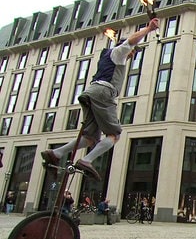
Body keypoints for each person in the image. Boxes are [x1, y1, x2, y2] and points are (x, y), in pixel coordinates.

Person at [40, 17, 160, 181]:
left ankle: (55, 153)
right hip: (103, 93)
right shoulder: (118, 53)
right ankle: (86, 161)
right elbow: (130, 42)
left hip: (91, 92)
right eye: (132, 51)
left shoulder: (108, 57)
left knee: (90, 138)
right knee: (114, 135)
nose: (132, 54)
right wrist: (148, 29)